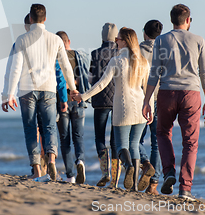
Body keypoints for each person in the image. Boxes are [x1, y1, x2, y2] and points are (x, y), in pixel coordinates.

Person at [142, 4, 205, 200]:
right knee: (190, 142)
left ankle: (168, 172)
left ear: (172, 20)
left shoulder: (161, 40)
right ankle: (185, 189)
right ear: (188, 20)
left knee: (163, 133)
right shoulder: (199, 40)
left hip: (166, 93)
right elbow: (204, 72)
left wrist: (146, 101)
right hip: (191, 93)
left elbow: (154, 72)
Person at [1, 4, 78, 181]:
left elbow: (15, 69)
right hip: (49, 89)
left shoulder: (21, 39)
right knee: (50, 126)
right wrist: (73, 89)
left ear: (30, 18)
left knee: (30, 128)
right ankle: (51, 159)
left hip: (27, 90)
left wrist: (8, 94)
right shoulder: (56, 40)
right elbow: (65, 66)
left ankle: (36, 170)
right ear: (45, 19)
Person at [73, 27, 152, 191]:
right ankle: (135, 187)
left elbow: (101, 84)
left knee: (122, 145)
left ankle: (128, 166)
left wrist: (83, 96)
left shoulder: (116, 61)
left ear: (124, 41)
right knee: (134, 144)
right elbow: (149, 88)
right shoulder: (143, 61)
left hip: (123, 108)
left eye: (118, 39)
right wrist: (149, 107)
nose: (116, 42)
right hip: (141, 108)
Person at [55, 31, 90, 184]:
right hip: (77, 100)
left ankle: (70, 175)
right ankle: (80, 161)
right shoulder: (78, 56)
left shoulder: (55, 58)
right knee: (78, 136)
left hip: (61, 101)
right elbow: (82, 78)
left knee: (65, 139)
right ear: (68, 41)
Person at [89, 23, 120, 187]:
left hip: (100, 100)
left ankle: (105, 172)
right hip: (117, 101)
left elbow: (90, 78)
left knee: (99, 137)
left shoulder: (95, 54)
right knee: (115, 141)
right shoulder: (121, 53)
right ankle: (114, 180)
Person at [138, 20, 163, 194]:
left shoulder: (137, 51)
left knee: (136, 140)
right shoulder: (165, 51)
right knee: (157, 142)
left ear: (144, 34)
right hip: (160, 99)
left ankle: (146, 164)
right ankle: (153, 185)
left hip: (141, 99)